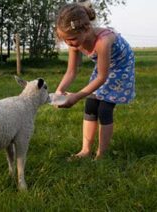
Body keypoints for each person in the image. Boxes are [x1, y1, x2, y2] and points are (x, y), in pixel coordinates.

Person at [54, 3, 135, 160]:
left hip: (121, 68)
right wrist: (59, 91)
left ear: (85, 29)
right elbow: (71, 71)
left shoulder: (102, 42)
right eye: (65, 41)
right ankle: (85, 150)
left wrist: (76, 96)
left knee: (104, 108)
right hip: (104, 67)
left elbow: (102, 78)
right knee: (91, 105)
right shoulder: (74, 42)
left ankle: (101, 154)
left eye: (71, 39)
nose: (69, 44)